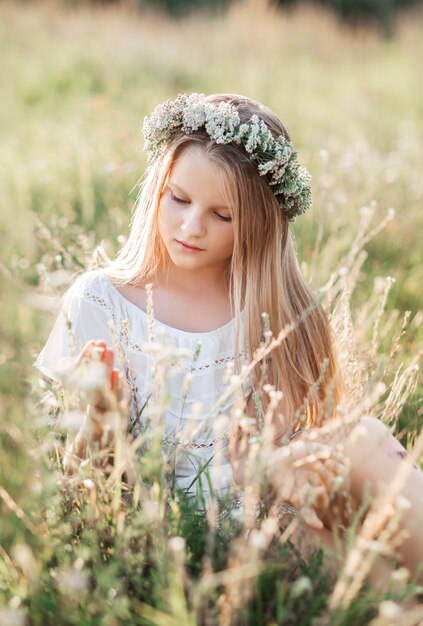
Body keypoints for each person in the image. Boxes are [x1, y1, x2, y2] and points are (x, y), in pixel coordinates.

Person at [34, 92, 423, 584]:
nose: (191, 227)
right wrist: (100, 418)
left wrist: (281, 466)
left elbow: (277, 463)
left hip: (268, 519)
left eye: (222, 216)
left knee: (363, 441)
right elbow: (79, 483)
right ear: (157, 189)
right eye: (178, 199)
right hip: (172, 540)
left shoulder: (278, 312)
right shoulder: (100, 301)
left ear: (258, 226)